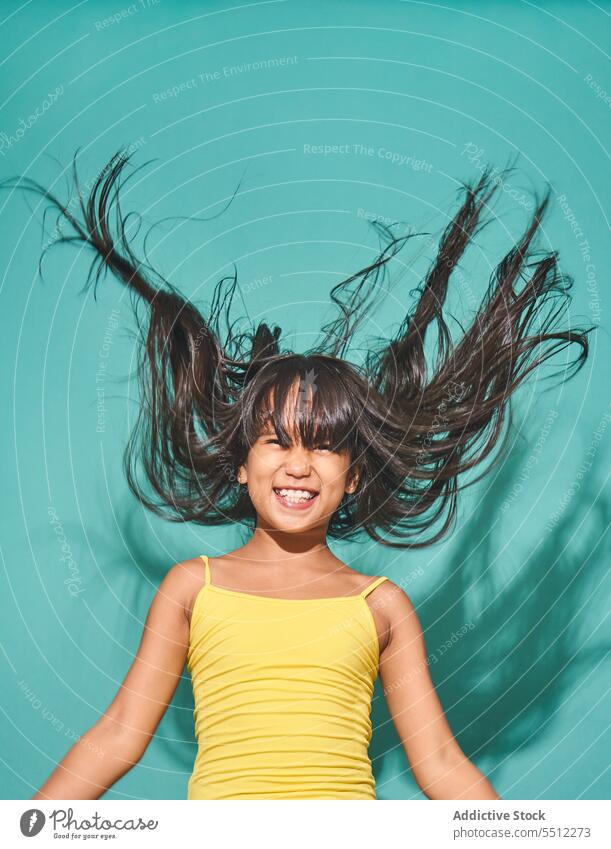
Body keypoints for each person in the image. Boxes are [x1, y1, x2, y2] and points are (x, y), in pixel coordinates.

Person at [2, 149, 591, 800]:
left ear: (355, 476)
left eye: (324, 446)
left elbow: (443, 766)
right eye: (276, 441)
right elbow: (117, 733)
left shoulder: (382, 606)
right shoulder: (191, 590)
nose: (298, 463)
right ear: (239, 465)